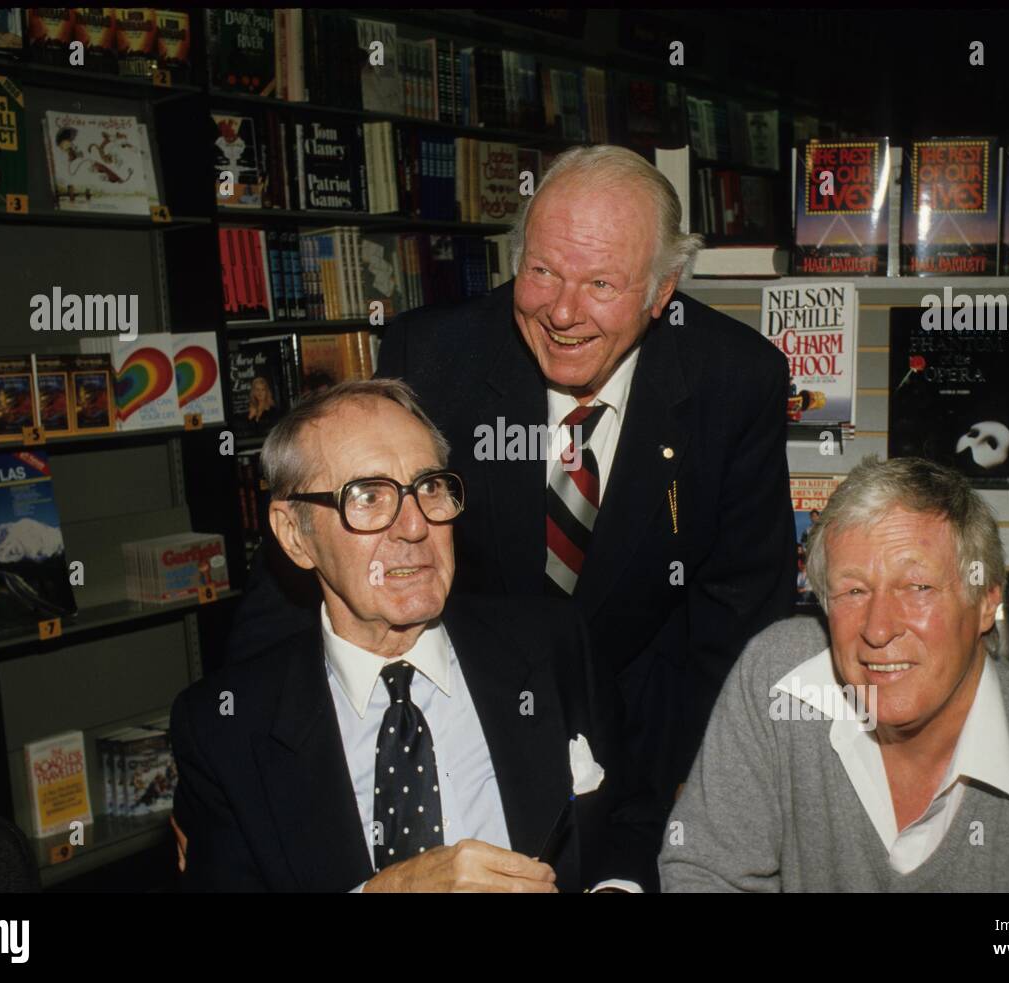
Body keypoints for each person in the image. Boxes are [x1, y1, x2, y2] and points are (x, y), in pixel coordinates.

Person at [233, 145, 795, 815]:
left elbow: (741, 609)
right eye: (543, 271)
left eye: (602, 285)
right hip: (467, 734)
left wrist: (708, 780)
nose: (562, 312)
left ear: (661, 290)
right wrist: (232, 755)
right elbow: (312, 554)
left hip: (650, 736)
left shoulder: (733, 378)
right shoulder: (436, 357)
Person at [171, 380, 659, 891]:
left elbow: (630, 817)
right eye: (367, 496)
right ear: (295, 535)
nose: (414, 526)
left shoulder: (551, 644)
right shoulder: (226, 729)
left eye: (430, 487)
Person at [659, 457, 1009, 892]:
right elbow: (705, 869)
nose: (878, 629)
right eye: (853, 591)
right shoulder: (776, 677)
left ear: (987, 600)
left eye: (917, 586)